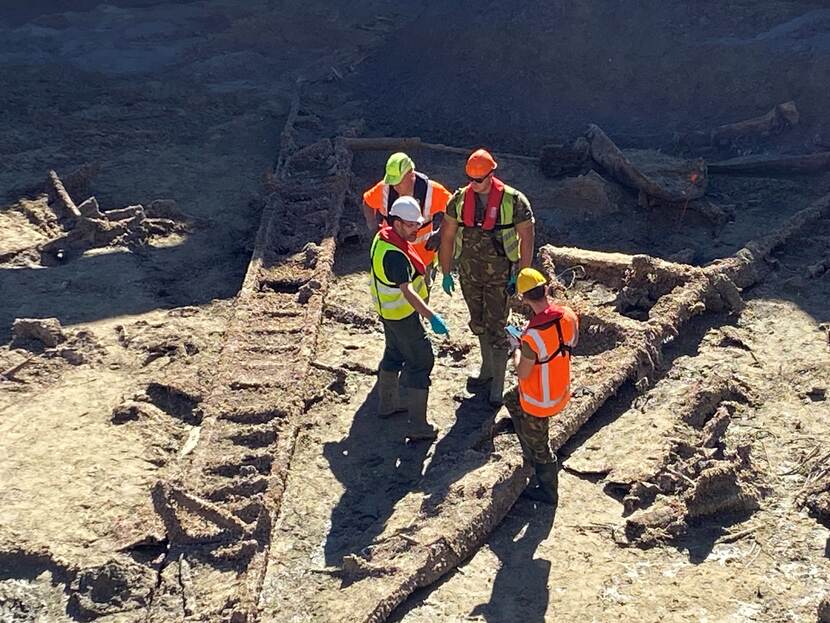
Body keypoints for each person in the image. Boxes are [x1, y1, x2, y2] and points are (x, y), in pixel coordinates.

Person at [438, 148, 536, 405]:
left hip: (501, 277)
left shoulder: (514, 201)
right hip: (470, 274)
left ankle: (498, 385)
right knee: (478, 321)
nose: (473, 184)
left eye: (479, 180)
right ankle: (486, 370)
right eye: (470, 178)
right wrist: (446, 271)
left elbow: (527, 238)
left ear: (492, 174)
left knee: (497, 327)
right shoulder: (458, 200)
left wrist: (523, 275)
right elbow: (447, 236)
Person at [369, 195, 450, 441]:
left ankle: (387, 404)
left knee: (393, 354)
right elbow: (408, 291)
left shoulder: (382, 239)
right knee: (420, 361)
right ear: (397, 222)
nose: (417, 228)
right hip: (402, 315)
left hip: (388, 313)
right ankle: (418, 426)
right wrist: (431, 315)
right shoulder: (395, 255)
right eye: (412, 224)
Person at [504, 268, 578, 505]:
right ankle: (529, 450)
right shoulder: (568, 315)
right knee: (510, 399)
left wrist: (516, 348)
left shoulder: (531, 337)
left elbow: (523, 372)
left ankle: (548, 491)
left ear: (524, 298)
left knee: (541, 446)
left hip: (539, 399)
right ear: (546, 289)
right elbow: (571, 341)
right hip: (561, 389)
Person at [362, 152, 452, 284]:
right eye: (392, 182)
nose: (395, 187)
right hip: (392, 257)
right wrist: (374, 227)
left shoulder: (430, 190)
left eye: (398, 182)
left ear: (411, 175)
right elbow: (367, 202)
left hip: (422, 259)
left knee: (421, 295)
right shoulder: (385, 188)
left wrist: (440, 234)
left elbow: (454, 209)